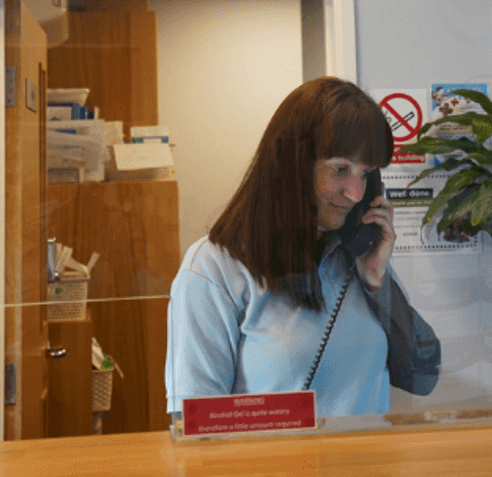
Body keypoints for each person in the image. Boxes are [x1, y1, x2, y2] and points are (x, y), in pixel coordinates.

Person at [165, 77, 440, 418]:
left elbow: (423, 376)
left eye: (365, 174)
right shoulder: (214, 267)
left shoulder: (356, 257)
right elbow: (194, 423)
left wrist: (377, 284)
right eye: (340, 169)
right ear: (293, 166)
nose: (355, 193)